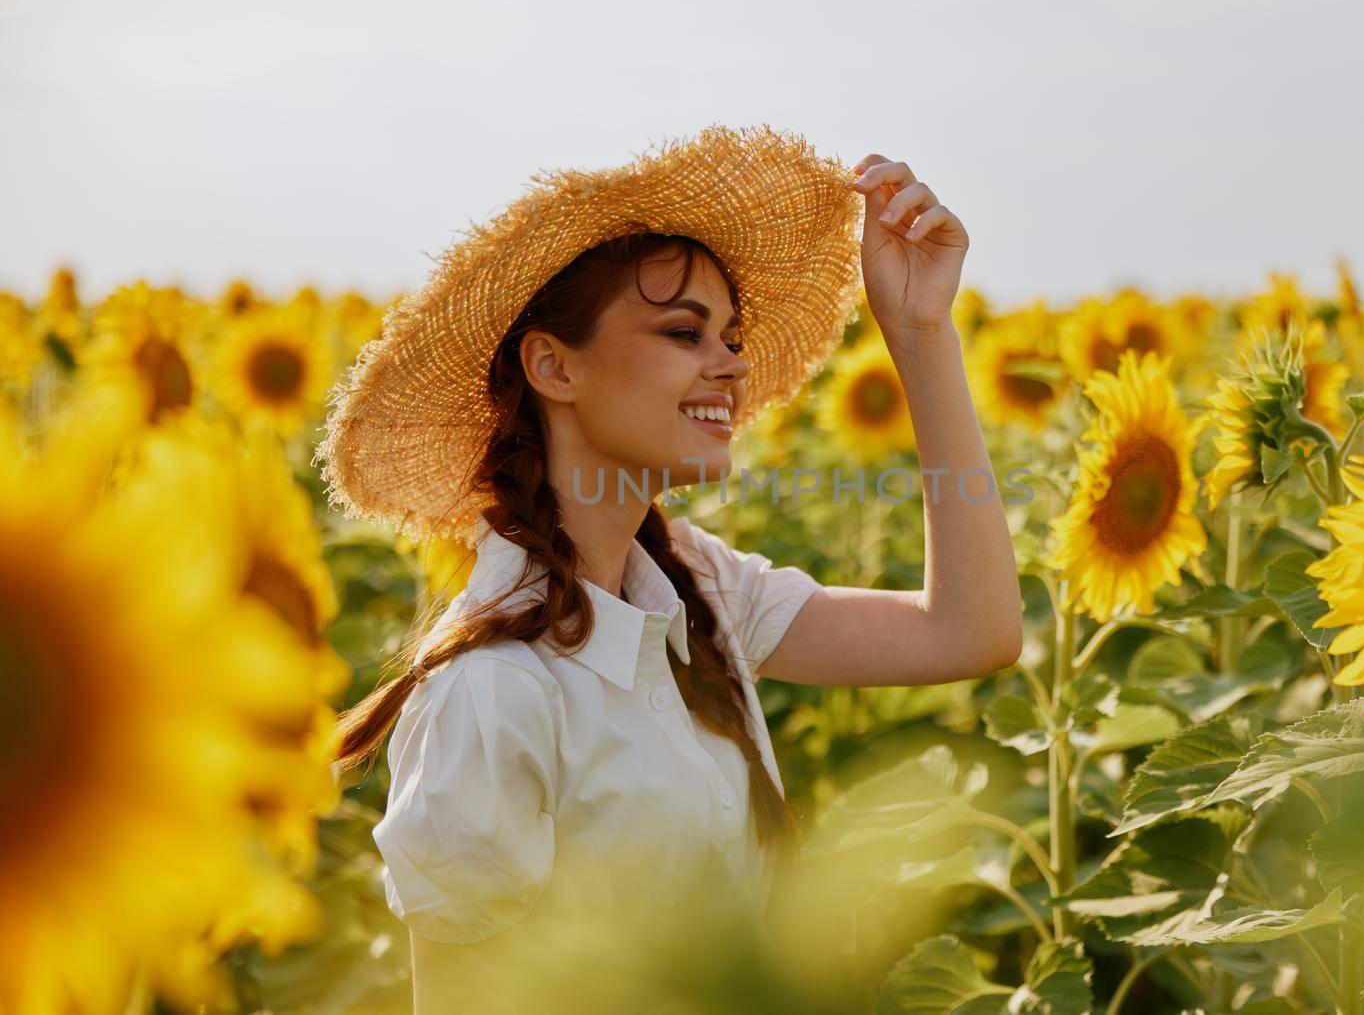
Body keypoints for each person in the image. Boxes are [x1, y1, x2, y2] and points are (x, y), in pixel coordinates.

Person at [314, 124, 1023, 1012]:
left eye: (732, 334)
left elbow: (971, 631)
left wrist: (919, 331)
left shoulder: (696, 586)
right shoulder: (492, 693)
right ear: (552, 364)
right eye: (686, 331)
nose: (731, 361)